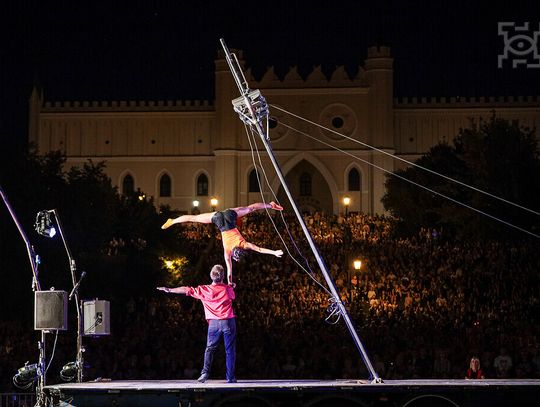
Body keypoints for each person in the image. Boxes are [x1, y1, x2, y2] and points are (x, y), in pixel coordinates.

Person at [161, 202, 284, 284]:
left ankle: (270, 205)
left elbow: (259, 249)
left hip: (229, 215)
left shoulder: (244, 244)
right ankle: (173, 221)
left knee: (251, 208)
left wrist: (274, 252)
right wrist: (230, 283)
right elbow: (229, 271)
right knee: (195, 218)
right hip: (218, 219)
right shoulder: (227, 252)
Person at [157, 264, 237, 383]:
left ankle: (204, 373)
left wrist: (169, 290)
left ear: (211, 276)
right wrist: (231, 286)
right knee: (230, 350)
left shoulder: (204, 290)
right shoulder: (227, 289)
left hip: (214, 324)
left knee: (209, 349)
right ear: (222, 276)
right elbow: (232, 295)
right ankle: (230, 377)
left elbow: (186, 289)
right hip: (228, 322)